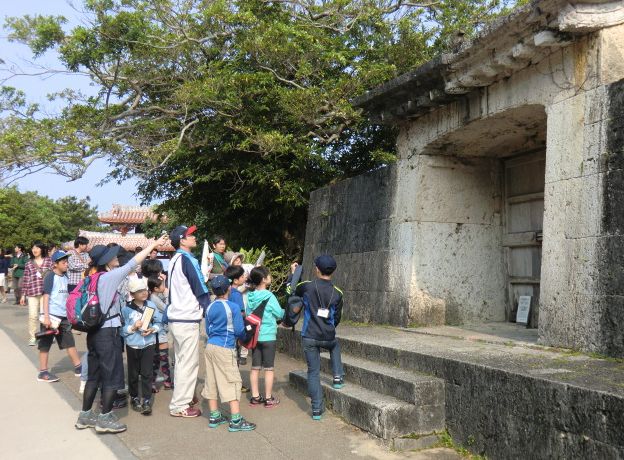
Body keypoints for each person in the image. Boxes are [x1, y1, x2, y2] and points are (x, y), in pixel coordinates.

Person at [74, 234, 167, 434]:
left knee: (94, 376)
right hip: (107, 333)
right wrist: (155, 244)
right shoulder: (109, 276)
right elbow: (134, 262)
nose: (117, 257)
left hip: (94, 332)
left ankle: (85, 415)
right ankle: (105, 418)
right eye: (113, 255)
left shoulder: (92, 278)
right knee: (111, 376)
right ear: (106, 261)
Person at [288, 255, 344, 420]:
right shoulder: (338, 292)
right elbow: (338, 317)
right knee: (334, 346)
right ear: (333, 271)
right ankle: (338, 377)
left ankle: (317, 409)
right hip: (328, 334)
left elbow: (290, 292)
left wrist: (293, 274)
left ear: (317, 269)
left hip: (310, 335)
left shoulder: (306, 287)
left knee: (313, 372)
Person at [202, 275, 256, 431]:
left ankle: (214, 415)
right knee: (232, 381)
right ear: (228, 289)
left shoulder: (210, 307)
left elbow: (208, 329)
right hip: (225, 347)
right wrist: (249, 333)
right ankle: (236, 420)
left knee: (211, 380)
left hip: (210, 346)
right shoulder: (232, 307)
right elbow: (239, 330)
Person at [167, 225, 210, 418]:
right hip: (187, 317)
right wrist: (209, 310)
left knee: (181, 360)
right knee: (188, 363)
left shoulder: (174, 259)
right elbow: (200, 289)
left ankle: (184, 396)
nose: (194, 237)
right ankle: (180, 405)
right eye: (190, 235)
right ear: (182, 240)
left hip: (176, 316)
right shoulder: (188, 259)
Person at [37, 250, 82, 382]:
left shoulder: (65, 276)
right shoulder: (51, 276)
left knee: (69, 342)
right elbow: (46, 297)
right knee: (45, 343)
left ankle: (78, 367)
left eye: (67, 262)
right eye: (64, 262)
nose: (66, 264)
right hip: (51, 316)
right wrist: (46, 317)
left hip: (63, 317)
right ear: (55, 264)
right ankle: (43, 372)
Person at [121, 277, 163, 416]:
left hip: (149, 344)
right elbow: (121, 329)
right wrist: (133, 327)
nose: (144, 293)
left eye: (144, 290)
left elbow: (159, 322)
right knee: (133, 374)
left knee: (147, 373)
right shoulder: (126, 309)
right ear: (132, 294)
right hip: (133, 345)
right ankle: (134, 397)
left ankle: (146, 400)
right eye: (139, 291)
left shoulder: (151, 305)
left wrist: (153, 329)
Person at [246, 266, 284, 408]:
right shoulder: (269, 296)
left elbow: (249, 315)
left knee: (255, 367)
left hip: (255, 336)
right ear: (263, 279)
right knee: (269, 369)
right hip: (268, 336)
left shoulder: (250, 296)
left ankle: (255, 397)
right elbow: (279, 314)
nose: (270, 276)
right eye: (268, 275)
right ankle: (268, 398)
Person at [21, 242, 53, 346]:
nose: (34, 250)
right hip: (32, 291)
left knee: (45, 315)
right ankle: (33, 336)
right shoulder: (28, 263)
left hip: (46, 292)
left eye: (37, 248)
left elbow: (53, 276)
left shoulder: (49, 261)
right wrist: (23, 295)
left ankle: (47, 335)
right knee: (32, 315)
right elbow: (25, 279)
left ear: (42, 249)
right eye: (33, 248)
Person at [147, 275, 173, 391]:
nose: (164, 287)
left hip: (157, 331)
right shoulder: (154, 298)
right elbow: (167, 308)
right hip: (160, 331)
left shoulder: (153, 296)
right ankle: (166, 382)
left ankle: (155, 383)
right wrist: (167, 294)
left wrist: (164, 280)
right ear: (156, 288)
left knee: (157, 359)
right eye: (162, 285)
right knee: (162, 358)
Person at [225, 265, 250, 370]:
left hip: (227, 329)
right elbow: (241, 313)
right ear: (235, 280)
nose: (245, 277)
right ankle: (235, 384)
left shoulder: (227, 293)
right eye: (242, 276)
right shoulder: (236, 294)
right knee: (235, 358)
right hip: (235, 330)